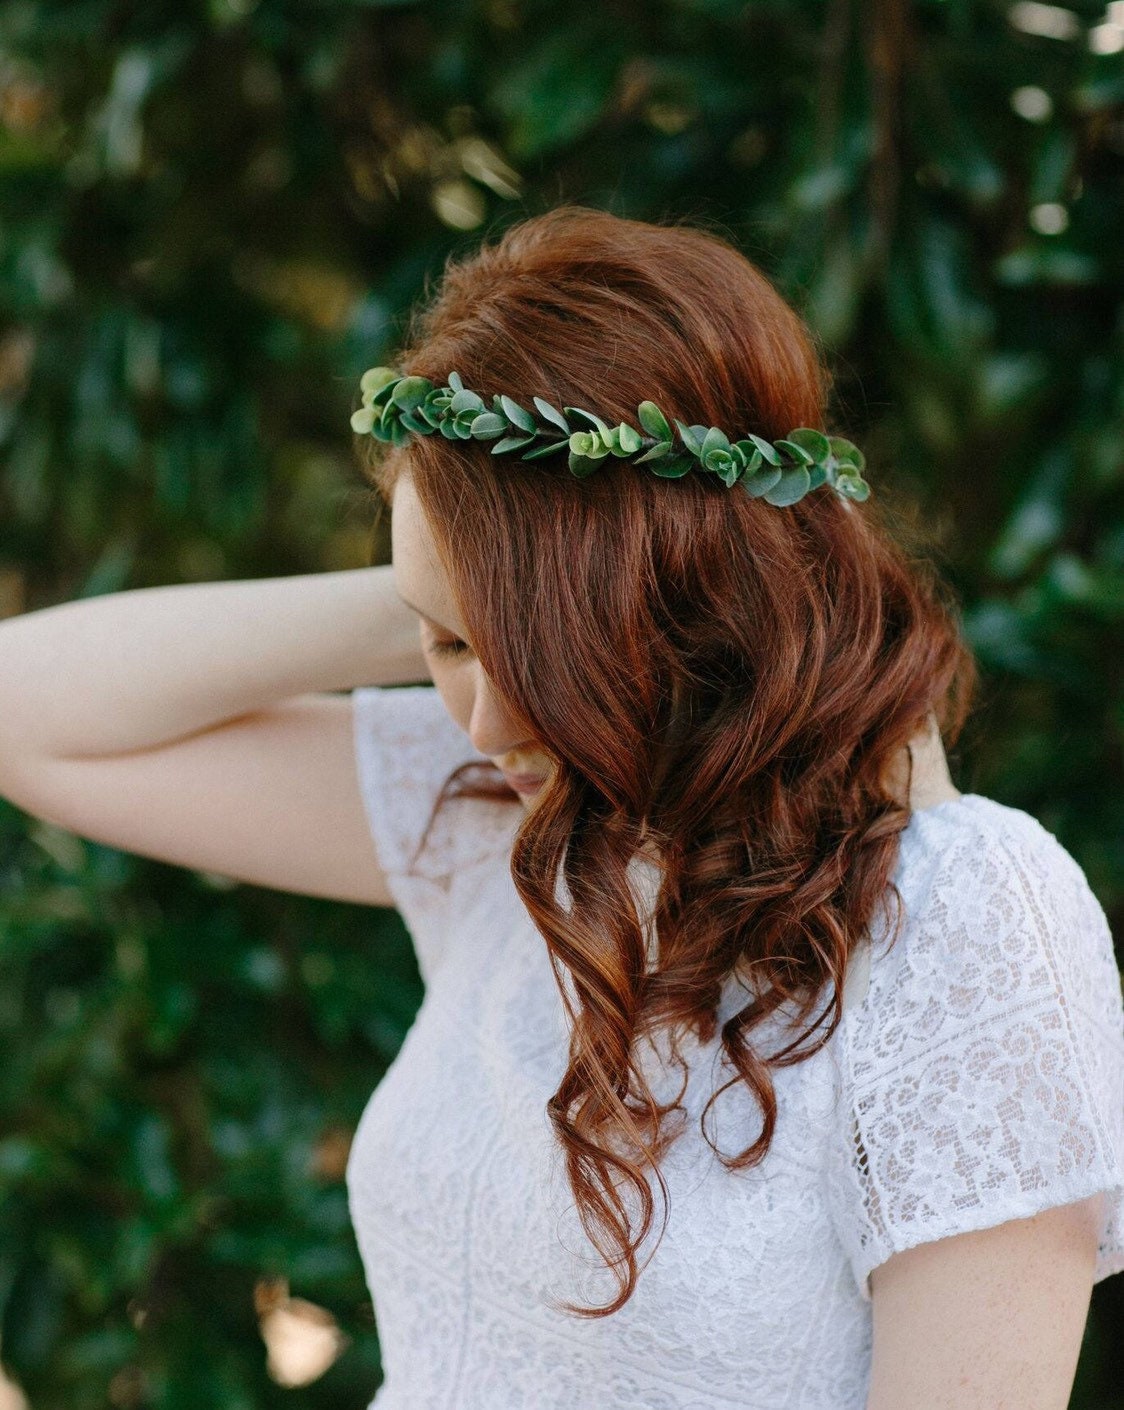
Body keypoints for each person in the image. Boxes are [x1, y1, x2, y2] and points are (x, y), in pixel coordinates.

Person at [0, 205, 1121, 1410]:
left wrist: (497, 597)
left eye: (536, 661)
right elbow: (28, 716)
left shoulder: (963, 915)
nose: (482, 723)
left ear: (693, 602)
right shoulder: (516, 813)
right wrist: (451, 572)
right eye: (445, 652)